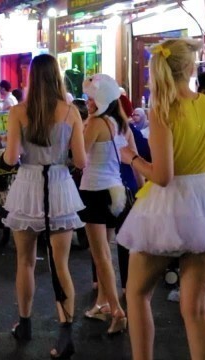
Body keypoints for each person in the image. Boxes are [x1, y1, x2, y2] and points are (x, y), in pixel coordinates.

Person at [117, 39, 205, 360]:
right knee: (196, 309)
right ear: (190, 69)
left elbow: (162, 175)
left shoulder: (162, 109)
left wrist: (131, 158)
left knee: (137, 294)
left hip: (164, 208)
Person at [1, 54, 86, 358]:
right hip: (60, 184)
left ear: (31, 79)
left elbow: (10, 158)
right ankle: (65, 334)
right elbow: (81, 160)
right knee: (60, 264)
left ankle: (25, 324)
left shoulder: (17, 112)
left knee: (25, 261)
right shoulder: (71, 112)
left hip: (28, 185)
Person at [79, 73, 137, 335]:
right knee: (106, 253)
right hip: (115, 193)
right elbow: (128, 157)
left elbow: (79, 157)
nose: (87, 103)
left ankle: (117, 311)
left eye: (90, 99)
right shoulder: (118, 123)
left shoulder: (95, 124)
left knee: (100, 256)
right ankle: (102, 303)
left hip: (95, 191)